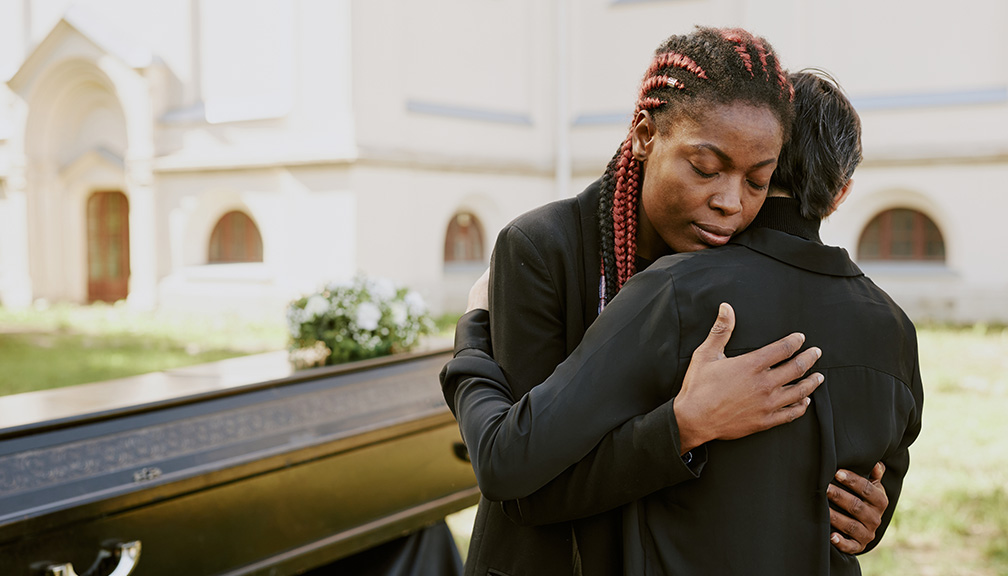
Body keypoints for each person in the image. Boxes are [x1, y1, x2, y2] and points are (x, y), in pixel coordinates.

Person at [441, 27, 888, 575]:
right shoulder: (545, 248)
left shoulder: (734, 267)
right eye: (704, 168)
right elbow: (522, 485)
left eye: (757, 181)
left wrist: (860, 512)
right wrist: (685, 425)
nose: (729, 203)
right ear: (646, 135)